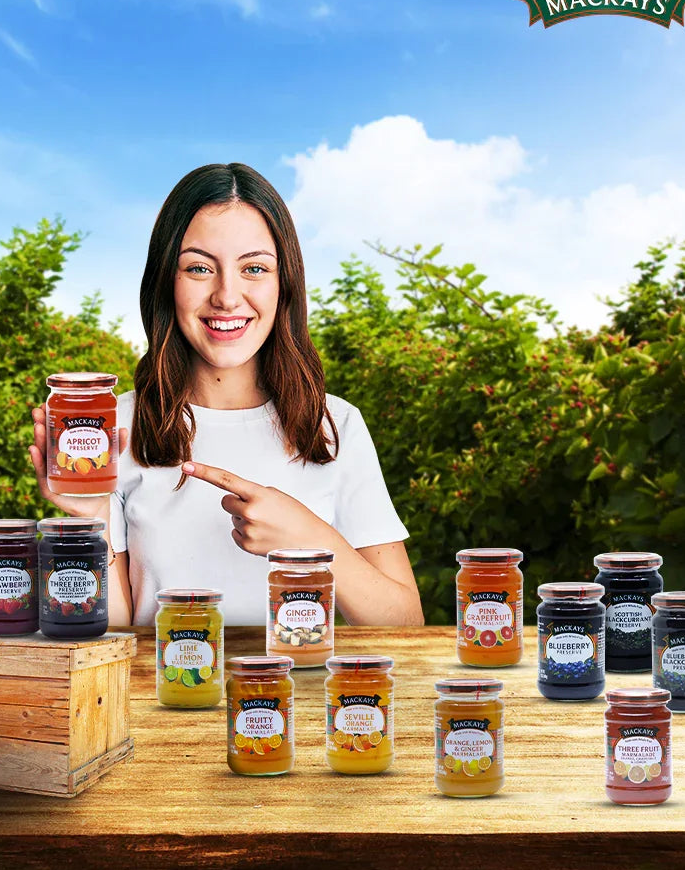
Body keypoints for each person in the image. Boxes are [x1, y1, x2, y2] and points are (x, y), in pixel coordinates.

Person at [29, 162, 423, 628]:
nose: (227, 296)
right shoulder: (114, 429)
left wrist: (308, 537)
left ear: (285, 283)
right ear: (165, 282)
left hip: (302, 700)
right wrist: (93, 518)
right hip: (163, 697)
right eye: (199, 268)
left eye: (254, 268)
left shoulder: (336, 426)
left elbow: (405, 624)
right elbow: (117, 633)